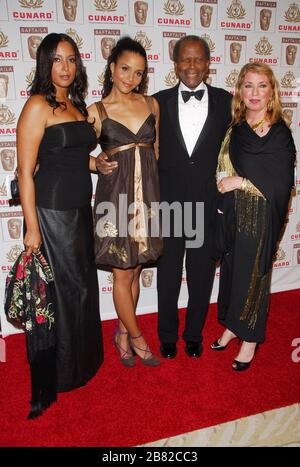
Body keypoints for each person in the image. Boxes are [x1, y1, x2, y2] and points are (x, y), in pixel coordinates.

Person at [97, 35, 232, 359]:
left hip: (204, 204)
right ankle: (168, 336)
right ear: (175, 63)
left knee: (200, 276)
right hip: (167, 203)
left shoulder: (226, 101)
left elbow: (235, 147)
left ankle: (194, 335)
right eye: (185, 59)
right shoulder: (156, 102)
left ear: (208, 63)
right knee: (168, 275)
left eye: (198, 59)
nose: (191, 66)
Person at [17, 33, 103, 404]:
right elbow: (25, 171)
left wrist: (95, 163)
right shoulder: (37, 105)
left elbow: (67, 154)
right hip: (51, 214)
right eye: (57, 60)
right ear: (45, 65)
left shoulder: (76, 104)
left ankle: (83, 363)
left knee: (82, 291)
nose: (65, 67)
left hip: (81, 209)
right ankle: (62, 373)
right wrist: (32, 228)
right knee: (59, 297)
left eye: (71, 59)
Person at [212, 63, 296, 371]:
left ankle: (250, 338)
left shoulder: (279, 133)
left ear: (271, 91)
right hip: (235, 212)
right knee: (234, 270)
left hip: (260, 217)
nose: (255, 92)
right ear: (240, 91)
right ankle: (233, 325)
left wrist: (241, 182)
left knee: (254, 274)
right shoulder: (236, 128)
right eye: (249, 85)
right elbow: (222, 166)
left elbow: (280, 182)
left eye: (262, 85)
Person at [89, 37, 162, 367]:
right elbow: (72, 156)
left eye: (138, 73)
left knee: (134, 271)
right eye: (125, 69)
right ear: (111, 68)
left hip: (147, 198)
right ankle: (136, 337)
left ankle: (121, 332)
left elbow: (155, 154)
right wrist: (96, 163)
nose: (131, 78)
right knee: (121, 274)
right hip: (115, 201)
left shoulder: (151, 105)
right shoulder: (97, 112)